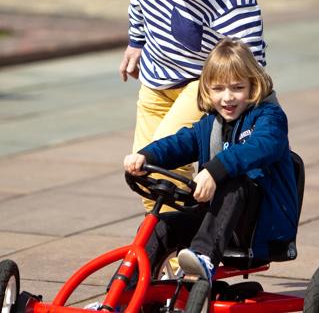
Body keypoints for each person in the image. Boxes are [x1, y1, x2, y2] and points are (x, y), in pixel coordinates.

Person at [120, 0, 266, 213]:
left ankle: (198, 249)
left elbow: (252, 68)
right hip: (156, 74)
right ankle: (171, 258)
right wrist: (136, 40)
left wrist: (263, 127)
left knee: (158, 164)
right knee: (147, 181)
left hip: (202, 83)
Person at [123, 38, 298, 282]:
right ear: (207, 90)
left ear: (252, 85)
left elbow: (263, 146)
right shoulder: (210, 123)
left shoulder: (269, 117)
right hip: (215, 221)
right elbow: (180, 142)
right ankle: (121, 298)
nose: (227, 98)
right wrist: (146, 156)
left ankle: (203, 256)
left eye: (237, 88)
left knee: (234, 182)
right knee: (158, 227)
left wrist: (216, 170)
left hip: (258, 226)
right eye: (218, 89)